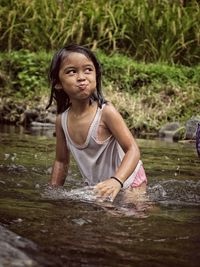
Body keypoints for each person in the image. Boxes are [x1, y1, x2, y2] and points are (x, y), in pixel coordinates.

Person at [46, 44, 147, 202]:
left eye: (88, 70)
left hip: (128, 180)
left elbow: (132, 149)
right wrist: (53, 193)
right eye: (72, 72)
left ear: (96, 75)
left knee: (131, 215)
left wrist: (116, 181)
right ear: (58, 83)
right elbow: (61, 161)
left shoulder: (105, 112)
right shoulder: (62, 120)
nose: (82, 77)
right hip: (101, 186)